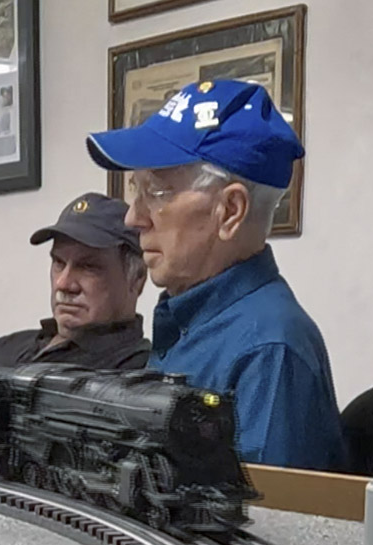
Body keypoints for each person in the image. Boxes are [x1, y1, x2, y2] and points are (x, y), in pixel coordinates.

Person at [86, 79, 346, 471]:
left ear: (230, 211)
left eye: (156, 192)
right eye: (135, 190)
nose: (133, 217)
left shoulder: (267, 350)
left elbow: (268, 510)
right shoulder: (192, 321)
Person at [0, 192, 150, 369]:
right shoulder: (9, 345)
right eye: (59, 263)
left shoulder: (138, 369)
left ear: (137, 278)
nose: (63, 284)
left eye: (88, 267)